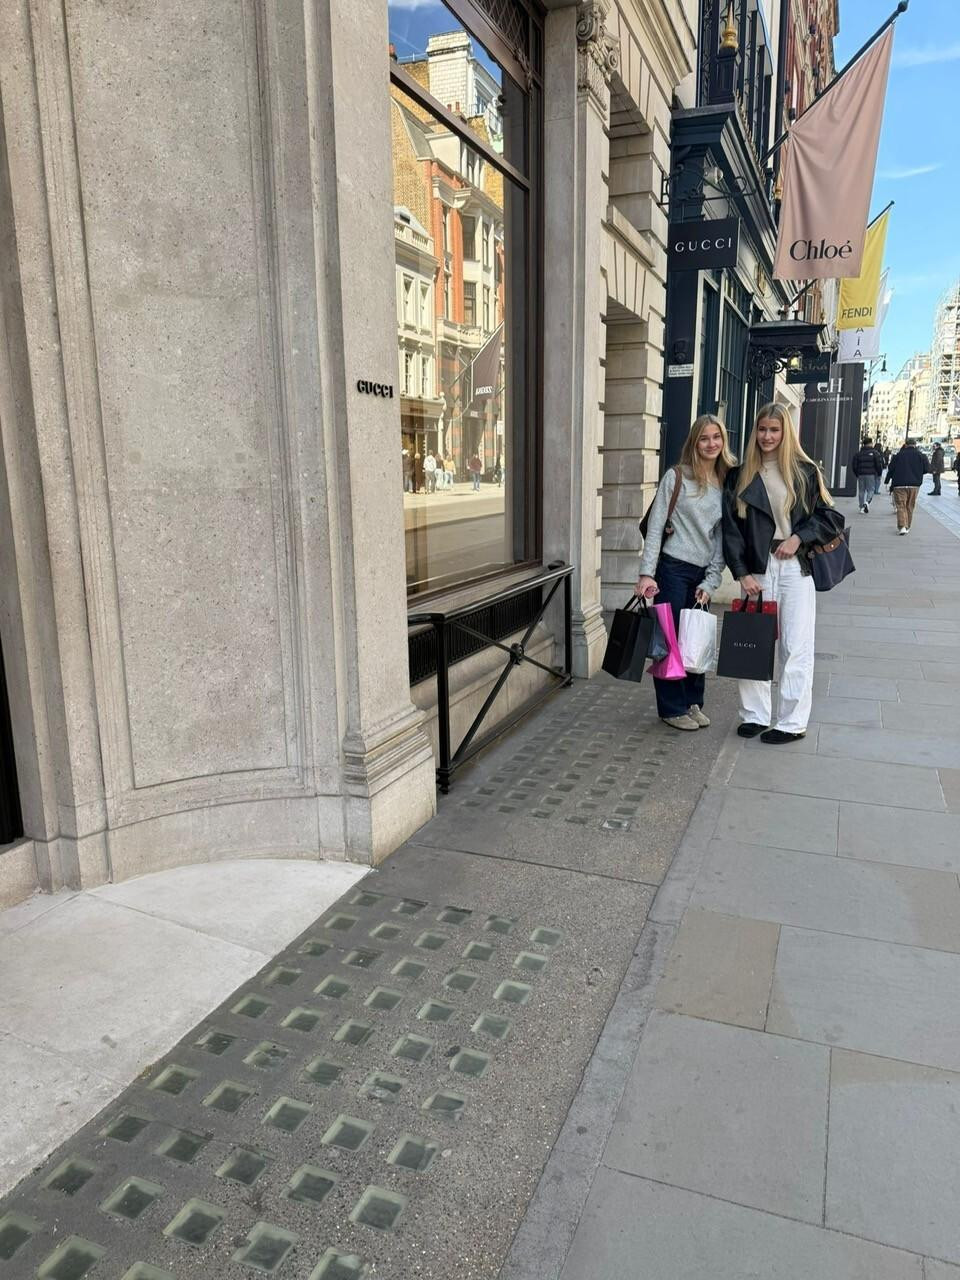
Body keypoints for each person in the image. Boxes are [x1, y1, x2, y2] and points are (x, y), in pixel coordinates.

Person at [722, 402, 841, 745]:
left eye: (774, 430)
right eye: (762, 429)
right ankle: (754, 714)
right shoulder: (739, 475)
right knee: (752, 640)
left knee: (796, 644)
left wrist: (798, 537)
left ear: (785, 432)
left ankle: (792, 722)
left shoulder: (805, 471)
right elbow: (731, 530)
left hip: (795, 566)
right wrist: (742, 573)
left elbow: (829, 517)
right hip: (757, 568)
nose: (767, 436)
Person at [635, 414, 734, 732]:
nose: (711, 443)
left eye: (716, 437)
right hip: (672, 569)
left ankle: (693, 702)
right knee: (669, 640)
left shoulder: (727, 481)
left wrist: (712, 579)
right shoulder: (676, 477)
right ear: (694, 442)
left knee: (696, 640)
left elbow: (722, 538)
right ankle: (671, 708)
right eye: (704, 438)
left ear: (723, 441)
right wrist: (647, 573)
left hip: (702, 573)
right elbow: (655, 528)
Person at [885, 438, 928, 534]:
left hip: (899, 484)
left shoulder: (898, 455)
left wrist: (887, 481)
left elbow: (891, 469)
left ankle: (902, 526)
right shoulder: (921, 456)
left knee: (901, 505)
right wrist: (917, 473)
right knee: (910, 506)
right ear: (915, 445)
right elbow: (926, 469)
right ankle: (907, 526)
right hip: (914, 485)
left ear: (906, 445)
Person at [850, 436, 884, 513]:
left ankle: (861, 507)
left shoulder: (858, 454)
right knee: (871, 490)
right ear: (871, 443)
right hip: (871, 474)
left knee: (861, 491)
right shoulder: (875, 453)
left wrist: (857, 474)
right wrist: (879, 473)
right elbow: (878, 464)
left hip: (861, 474)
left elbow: (854, 465)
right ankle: (867, 502)